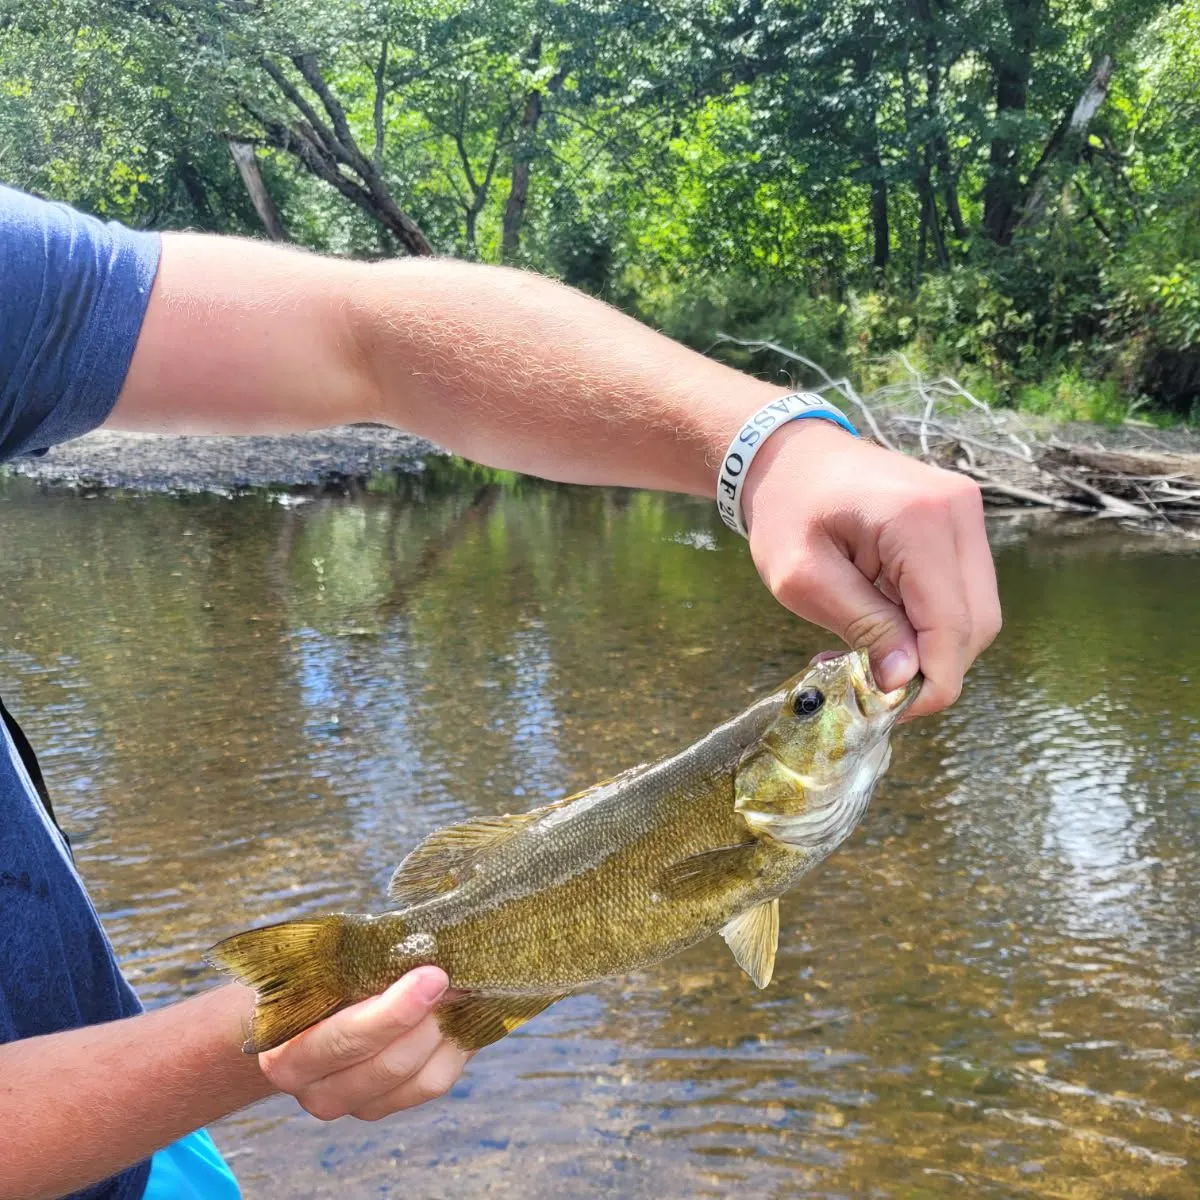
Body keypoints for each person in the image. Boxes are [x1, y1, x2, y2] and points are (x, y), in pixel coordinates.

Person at [0, 182, 1001, 1200]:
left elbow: (366, 330)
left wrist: (770, 445)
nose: (823, 699)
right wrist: (271, 1033)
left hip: (147, 1134)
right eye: (805, 710)